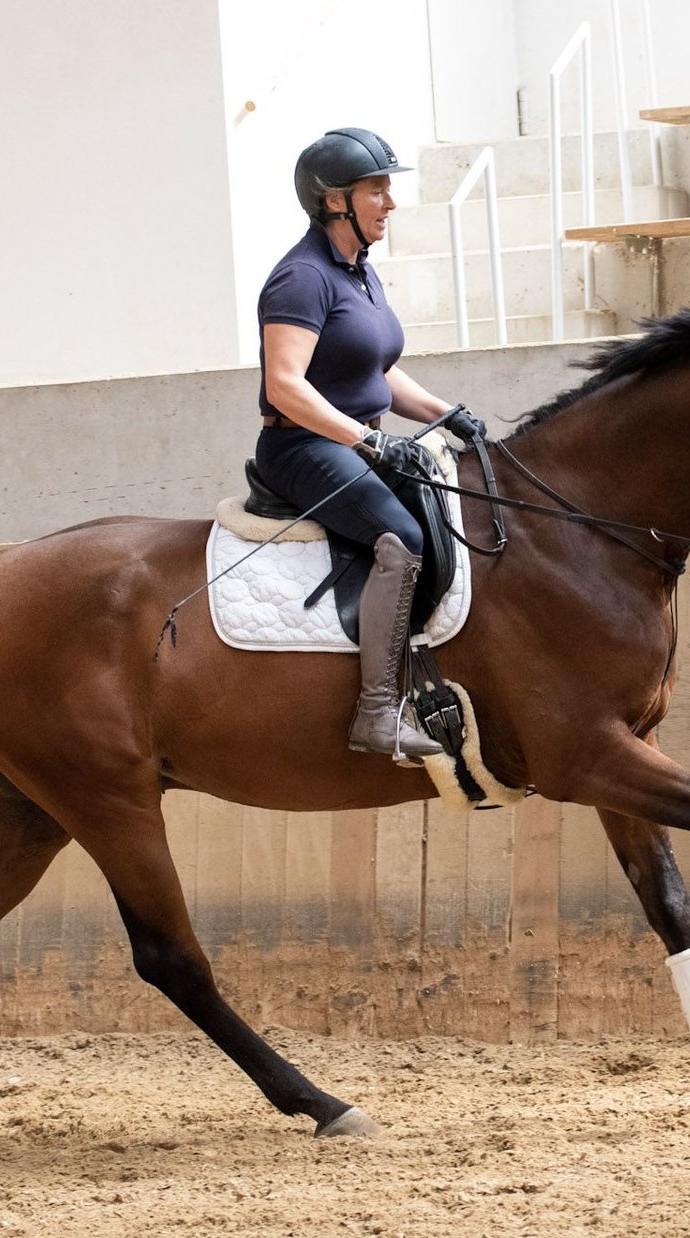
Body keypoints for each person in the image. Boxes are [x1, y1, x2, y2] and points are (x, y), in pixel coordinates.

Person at [255, 126, 487, 764]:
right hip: (302, 448)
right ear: (336, 201)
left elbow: (374, 370)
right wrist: (367, 440)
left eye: (388, 189)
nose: (389, 202)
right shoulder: (301, 278)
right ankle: (378, 715)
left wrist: (445, 413)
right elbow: (285, 385)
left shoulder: (358, 273)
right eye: (376, 190)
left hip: (354, 443)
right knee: (402, 540)